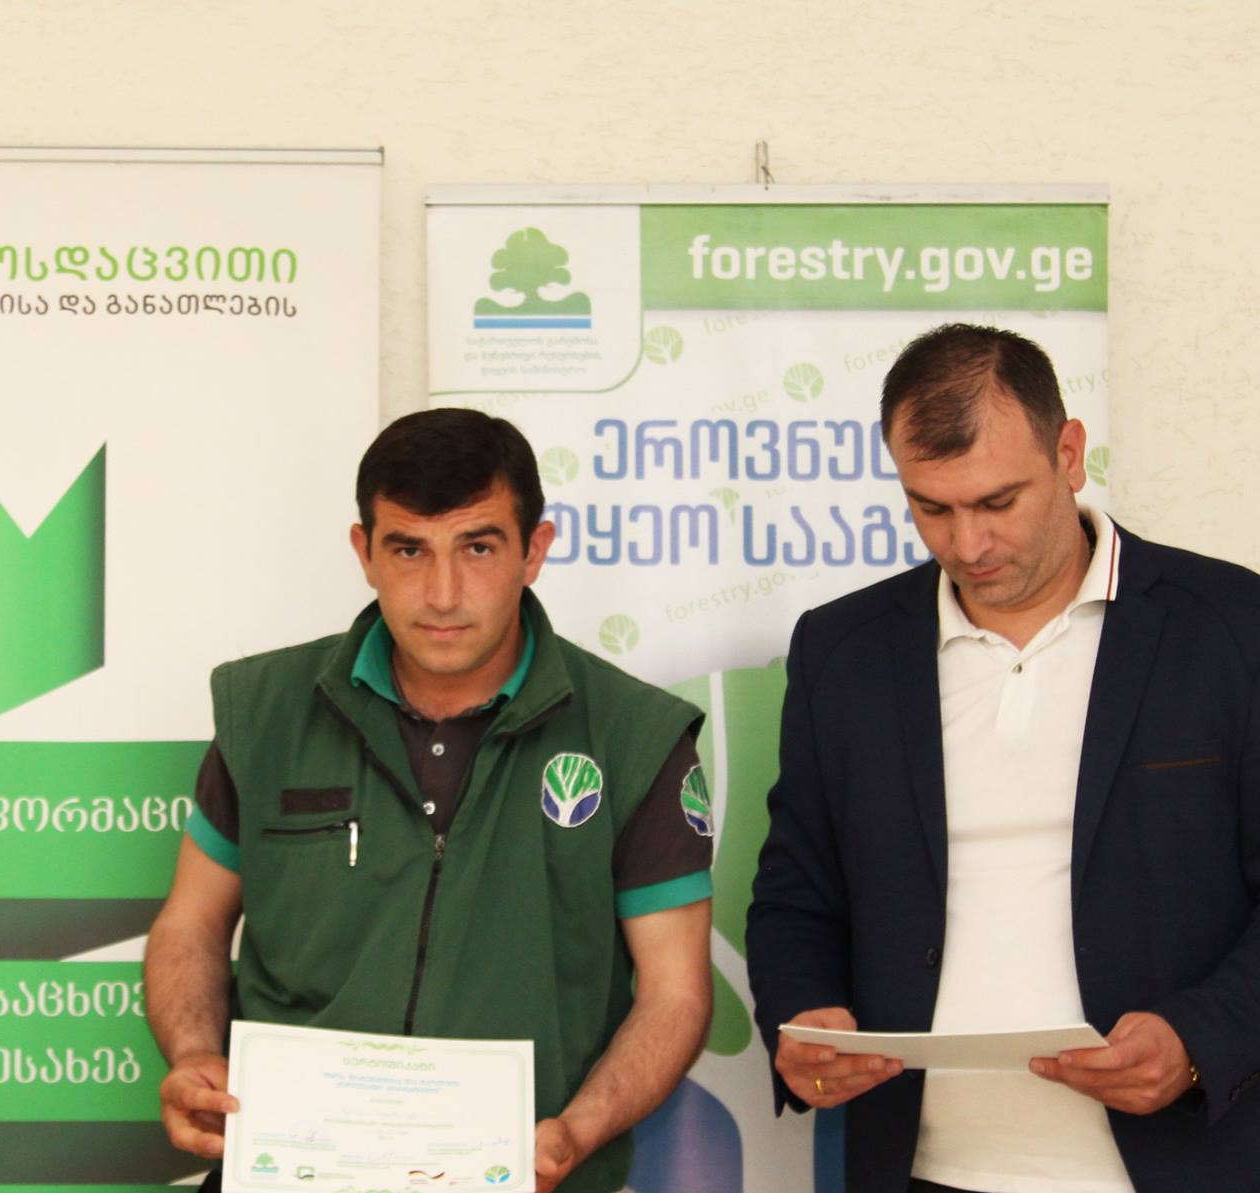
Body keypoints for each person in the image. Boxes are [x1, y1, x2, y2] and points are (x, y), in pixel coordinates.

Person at [143, 408, 715, 1193]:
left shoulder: (633, 735)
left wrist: (578, 1130)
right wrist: (194, 1055)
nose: (443, 594)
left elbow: (675, 993)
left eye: (478, 547)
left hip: (525, 1177)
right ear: (364, 552)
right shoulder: (267, 709)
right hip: (285, 1168)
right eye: (409, 549)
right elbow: (191, 922)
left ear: (534, 551)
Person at [746, 323, 1260, 1192]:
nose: (968, 545)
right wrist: (801, 1016)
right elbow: (798, 891)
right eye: (931, 508)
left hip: (1182, 1163)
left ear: (1069, 453)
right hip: (920, 1168)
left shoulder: (1231, 628)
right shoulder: (843, 651)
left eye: (997, 502)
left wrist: (1201, 1038)